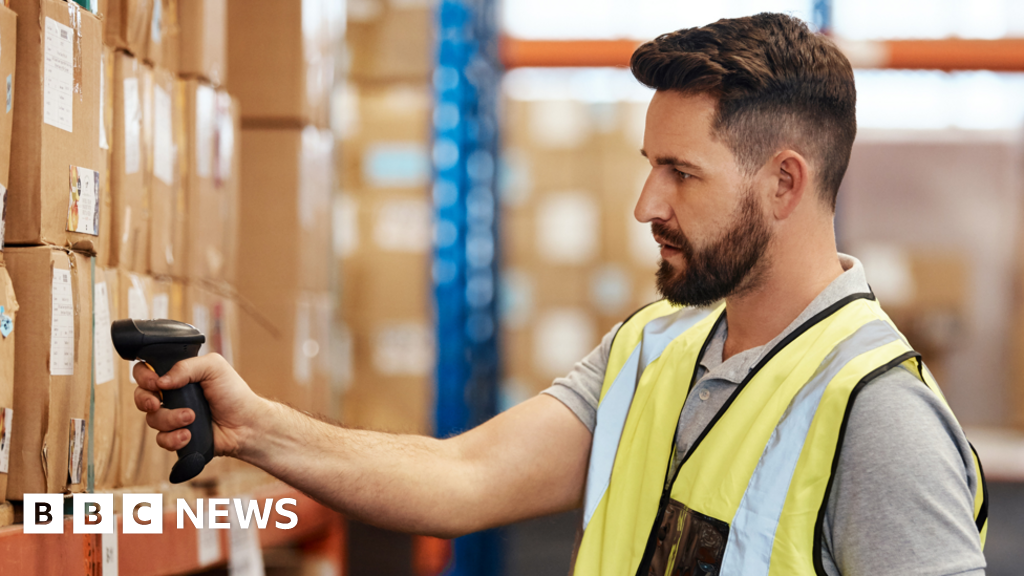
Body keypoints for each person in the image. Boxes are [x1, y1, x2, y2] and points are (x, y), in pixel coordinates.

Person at [134, 13, 988, 576]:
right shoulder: (654, 348)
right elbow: (462, 476)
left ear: (784, 183)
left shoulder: (877, 418)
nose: (646, 204)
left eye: (680, 173)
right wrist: (255, 426)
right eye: (649, 166)